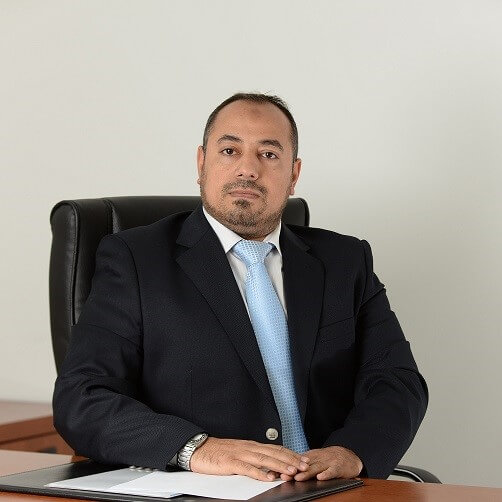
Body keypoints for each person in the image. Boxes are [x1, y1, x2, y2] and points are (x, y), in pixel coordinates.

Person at [53, 93, 428, 482]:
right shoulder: (135, 259)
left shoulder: (344, 261)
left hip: (322, 489)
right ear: (202, 164)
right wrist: (196, 448)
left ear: (294, 174)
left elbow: (397, 380)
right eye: (230, 150)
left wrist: (352, 451)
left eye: (268, 154)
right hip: (206, 490)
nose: (248, 169)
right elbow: (82, 398)